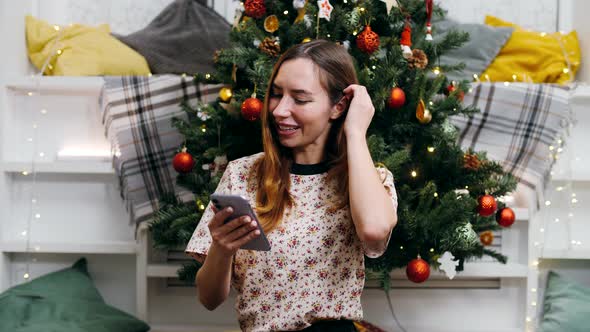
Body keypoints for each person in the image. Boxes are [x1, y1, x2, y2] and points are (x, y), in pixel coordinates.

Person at [185, 39, 398, 332]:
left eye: (299, 99)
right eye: (275, 94)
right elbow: (209, 299)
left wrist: (356, 131)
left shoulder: (368, 179)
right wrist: (221, 250)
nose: (279, 110)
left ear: (338, 106)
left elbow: (374, 233)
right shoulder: (242, 174)